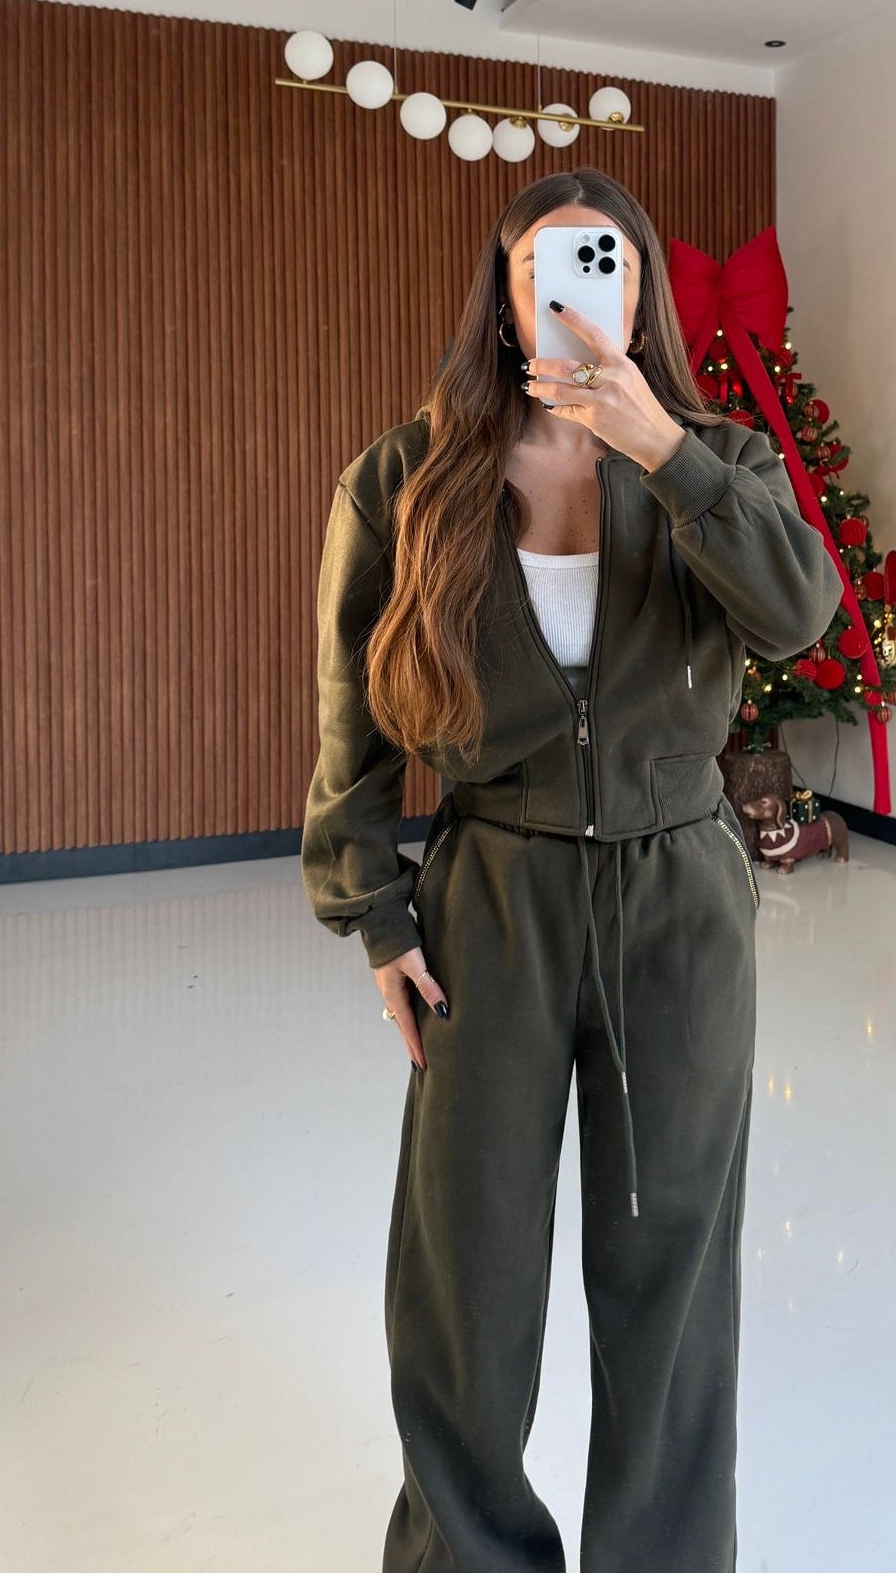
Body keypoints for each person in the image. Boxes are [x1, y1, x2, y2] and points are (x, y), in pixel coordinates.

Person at [301, 167, 844, 1573]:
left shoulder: (718, 458)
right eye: (546, 268)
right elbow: (352, 722)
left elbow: (801, 613)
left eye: (608, 266)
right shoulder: (406, 477)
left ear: (643, 292)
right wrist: (374, 913)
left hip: (680, 899)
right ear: (504, 298)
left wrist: (662, 447)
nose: (578, 294)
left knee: (673, 1278)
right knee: (466, 1277)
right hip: (490, 897)